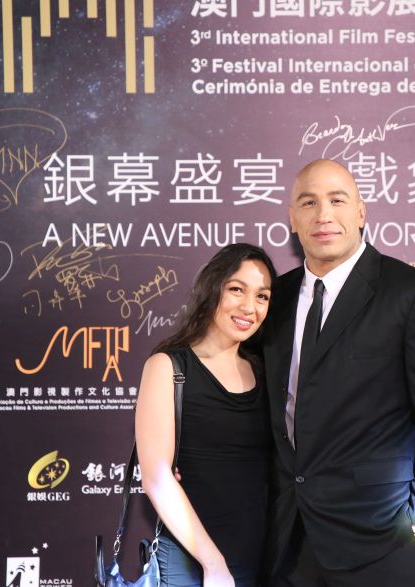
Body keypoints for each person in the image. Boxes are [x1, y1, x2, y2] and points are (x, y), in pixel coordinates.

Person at [263, 159, 415, 586]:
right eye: (308, 202)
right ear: (292, 218)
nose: (323, 214)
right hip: (286, 542)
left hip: (382, 542)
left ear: (361, 211)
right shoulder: (271, 299)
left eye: (337, 200)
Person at [136, 243, 278, 587]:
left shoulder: (266, 369)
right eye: (236, 290)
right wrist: (213, 564)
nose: (249, 306)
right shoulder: (169, 367)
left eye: (262, 296)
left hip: (263, 559)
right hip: (193, 564)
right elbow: (156, 478)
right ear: (211, 289)